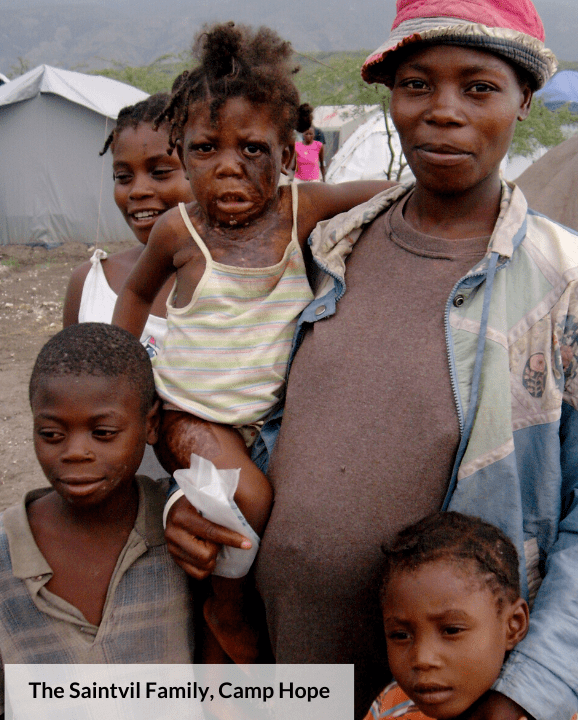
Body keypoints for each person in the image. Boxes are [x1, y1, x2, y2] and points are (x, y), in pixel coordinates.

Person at [164, 1, 578, 718]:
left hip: (445, 699)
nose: (443, 111)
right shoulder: (325, 248)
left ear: (524, 102)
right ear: (392, 98)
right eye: (417, 85)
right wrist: (194, 487)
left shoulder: (568, 282)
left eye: (479, 88)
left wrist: (526, 697)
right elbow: (217, 385)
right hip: (282, 667)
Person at [111, 21, 394, 664]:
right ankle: (225, 609)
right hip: (190, 413)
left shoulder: (300, 210)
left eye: (254, 149)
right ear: (181, 152)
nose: (229, 167)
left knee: (302, 521)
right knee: (250, 503)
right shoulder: (178, 231)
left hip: (269, 422)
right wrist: (124, 375)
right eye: (207, 149)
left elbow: (384, 193)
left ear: (291, 147)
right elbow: (132, 295)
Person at [0, 323, 194, 720]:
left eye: (103, 433)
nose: (75, 452)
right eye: (51, 434)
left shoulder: (181, 531)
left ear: (151, 424)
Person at [366, 512, 577, 720]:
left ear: (513, 625)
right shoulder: (389, 705)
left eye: (451, 630)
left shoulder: (544, 711)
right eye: (400, 635)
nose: (422, 659)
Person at [63, 93, 194, 358]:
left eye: (159, 172)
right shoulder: (89, 284)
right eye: (123, 177)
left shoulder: (239, 279)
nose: (137, 191)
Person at [294, 105, 325, 182]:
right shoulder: (296, 144)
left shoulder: (319, 144)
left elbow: (322, 163)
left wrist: (324, 180)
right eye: (306, 134)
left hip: (314, 179)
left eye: (311, 134)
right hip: (299, 178)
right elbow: (293, 164)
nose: (308, 136)